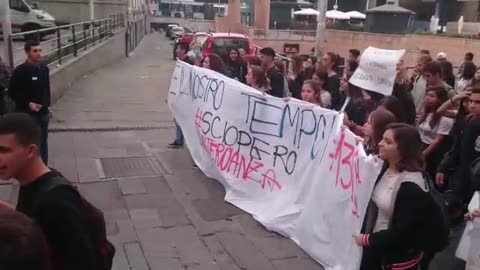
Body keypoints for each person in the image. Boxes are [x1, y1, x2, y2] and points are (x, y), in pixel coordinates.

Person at [0, 113, 97, 270]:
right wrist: (11, 215)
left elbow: (82, 261)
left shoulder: (56, 202)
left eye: (3, 150)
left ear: (31, 151)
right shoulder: (33, 182)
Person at [355, 123, 440, 270]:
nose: (380, 144)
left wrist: (366, 239)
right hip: (375, 247)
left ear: (404, 148)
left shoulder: (411, 186)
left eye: (388, 142)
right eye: (382, 139)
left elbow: (403, 232)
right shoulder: (384, 167)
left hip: (391, 257)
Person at [8, 41, 51, 164]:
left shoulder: (44, 69)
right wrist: (28, 104)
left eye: (40, 50)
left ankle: (44, 169)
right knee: (30, 144)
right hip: (28, 115)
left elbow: (46, 89)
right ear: (27, 53)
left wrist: (48, 105)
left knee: (43, 142)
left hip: (43, 114)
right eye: (35, 51)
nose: (38, 54)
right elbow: (12, 92)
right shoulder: (20, 71)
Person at [417, 86, 453, 179]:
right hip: (419, 144)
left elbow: (437, 140)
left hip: (432, 151)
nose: (427, 98)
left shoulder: (445, 118)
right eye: (427, 95)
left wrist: (423, 154)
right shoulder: (426, 112)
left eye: (432, 96)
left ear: (440, 99)